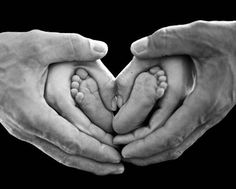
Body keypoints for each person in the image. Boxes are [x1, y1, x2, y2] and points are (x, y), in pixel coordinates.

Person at [115, 20, 236, 165]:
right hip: (198, 56)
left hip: (194, 52)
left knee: (111, 121)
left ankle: (113, 117)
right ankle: (133, 115)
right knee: (169, 110)